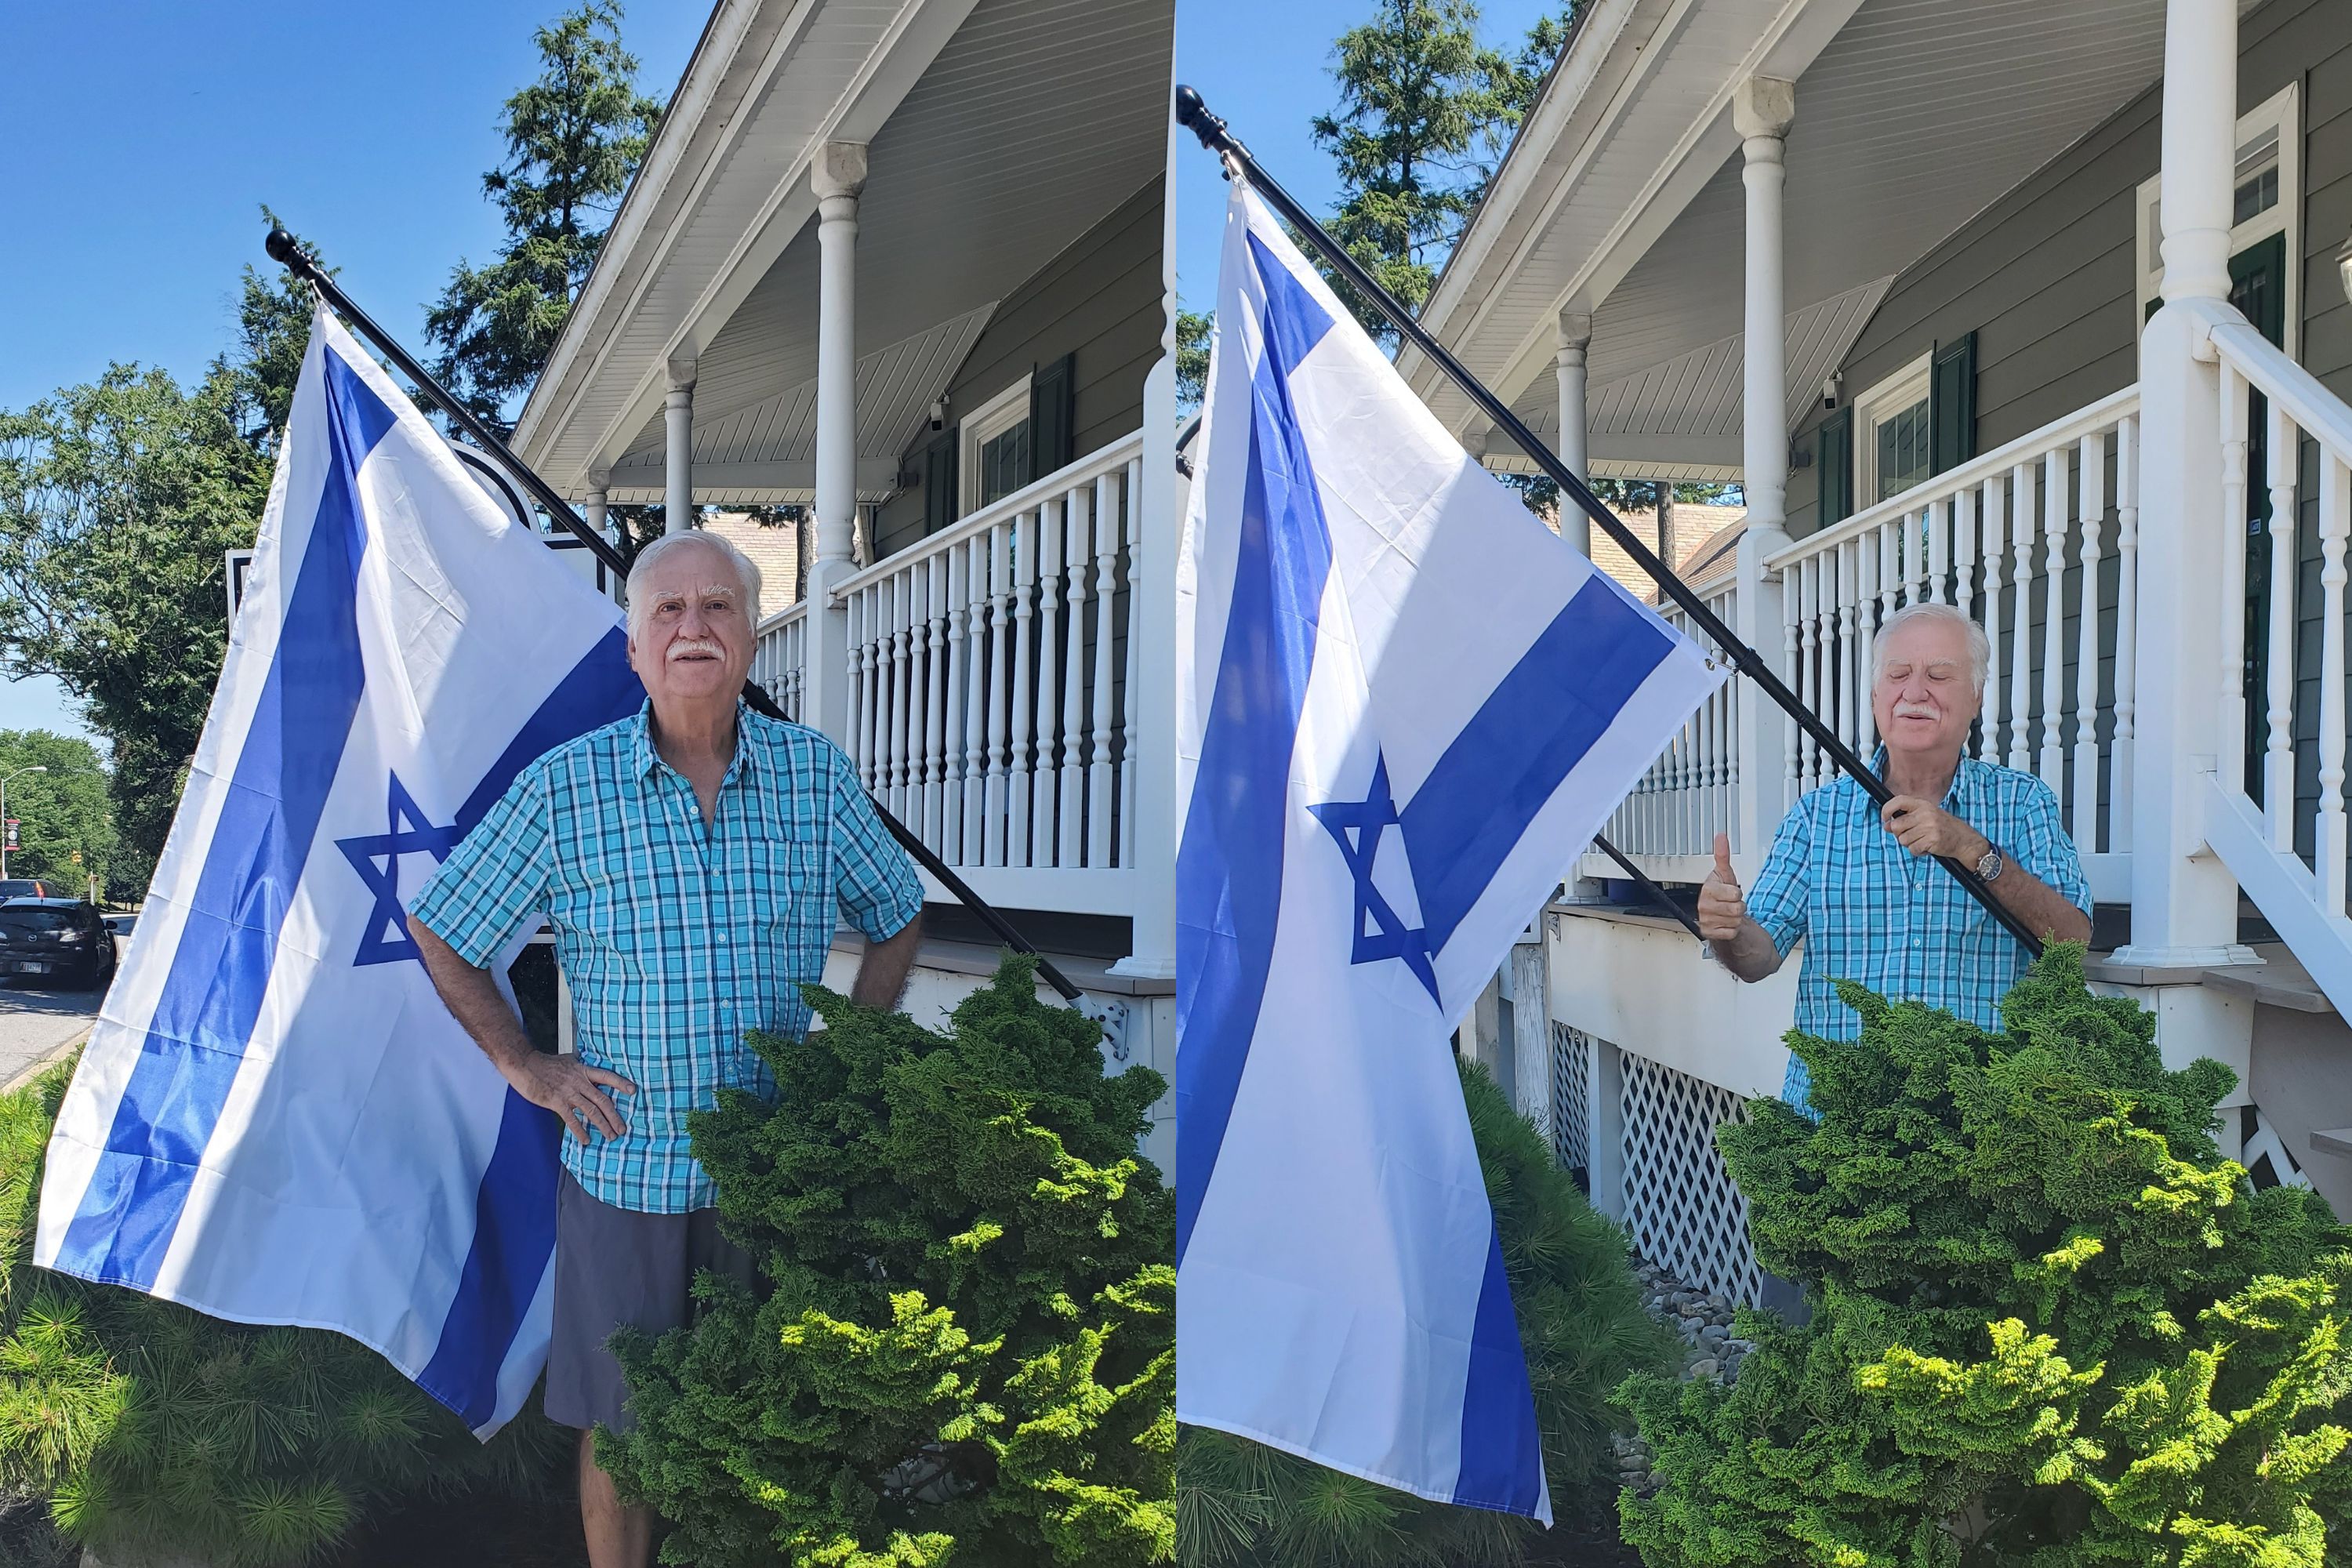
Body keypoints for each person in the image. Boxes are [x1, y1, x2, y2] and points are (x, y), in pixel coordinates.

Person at [407, 529, 924, 1568]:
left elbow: (898, 910)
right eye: (667, 613)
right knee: (624, 1424)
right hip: (626, 1167)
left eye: (717, 608)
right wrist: (527, 1066)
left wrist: (850, 1047)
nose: (693, 627)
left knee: (776, 1414)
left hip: (777, 1173)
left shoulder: (815, 779)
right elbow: (445, 928)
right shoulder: (566, 788)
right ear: (636, 651)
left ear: (750, 638)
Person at [1698, 598, 2091, 1103]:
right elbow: (1758, 959)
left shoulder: (2022, 803)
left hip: (1978, 1126)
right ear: (1876, 695)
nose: (1915, 691)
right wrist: (1727, 929)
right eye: (1899, 673)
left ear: (1976, 696)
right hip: (1834, 1123)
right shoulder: (1817, 817)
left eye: (1940, 675)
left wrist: (1971, 849)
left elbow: (2073, 941)